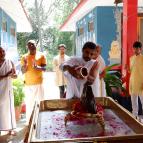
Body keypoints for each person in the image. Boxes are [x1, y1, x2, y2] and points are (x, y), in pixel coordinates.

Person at [21, 40, 47, 124]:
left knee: (40, 102)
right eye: (29, 45)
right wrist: (25, 65)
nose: (31, 46)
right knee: (29, 104)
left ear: (36, 45)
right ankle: (29, 122)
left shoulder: (41, 55)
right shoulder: (24, 57)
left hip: (39, 83)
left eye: (33, 44)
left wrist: (37, 67)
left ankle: (41, 121)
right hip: (28, 84)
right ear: (27, 47)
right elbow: (23, 71)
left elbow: (44, 68)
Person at [0, 47, 17, 135]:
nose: (3, 53)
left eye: (3, 51)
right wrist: (7, 75)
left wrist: (13, 74)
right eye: (0, 52)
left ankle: (10, 128)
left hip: (7, 89)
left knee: (8, 108)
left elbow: (15, 76)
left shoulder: (10, 62)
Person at [129, 41, 143, 119]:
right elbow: (132, 71)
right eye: (134, 48)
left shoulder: (142, 58)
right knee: (134, 102)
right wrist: (128, 69)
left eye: (137, 48)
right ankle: (134, 117)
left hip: (141, 83)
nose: (136, 50)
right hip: (133, 82)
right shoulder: (131, 58)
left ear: (140, 49)